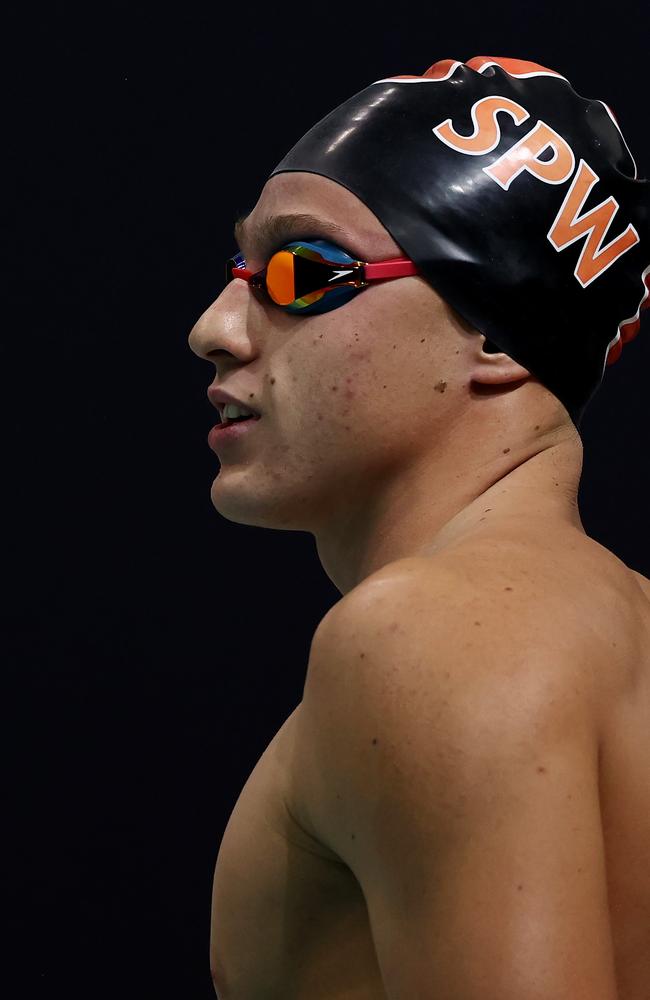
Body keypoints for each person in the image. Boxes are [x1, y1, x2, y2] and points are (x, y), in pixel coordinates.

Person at [188, 56, 650, 999]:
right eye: (241, 268)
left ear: (496, 331)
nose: (217, 325)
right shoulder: (627, 634)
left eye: (301, 271)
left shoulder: (421, 638)